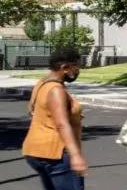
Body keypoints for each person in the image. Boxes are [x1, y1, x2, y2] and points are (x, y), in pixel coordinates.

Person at [23, 47, 87, 189]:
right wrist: (76, 155)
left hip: (35, 150)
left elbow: (32, 110)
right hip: (56, 153)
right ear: (65, 67)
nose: (77, 71)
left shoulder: (42, 83)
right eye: (76, 66)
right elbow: (62, 124)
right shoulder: (56, 90)